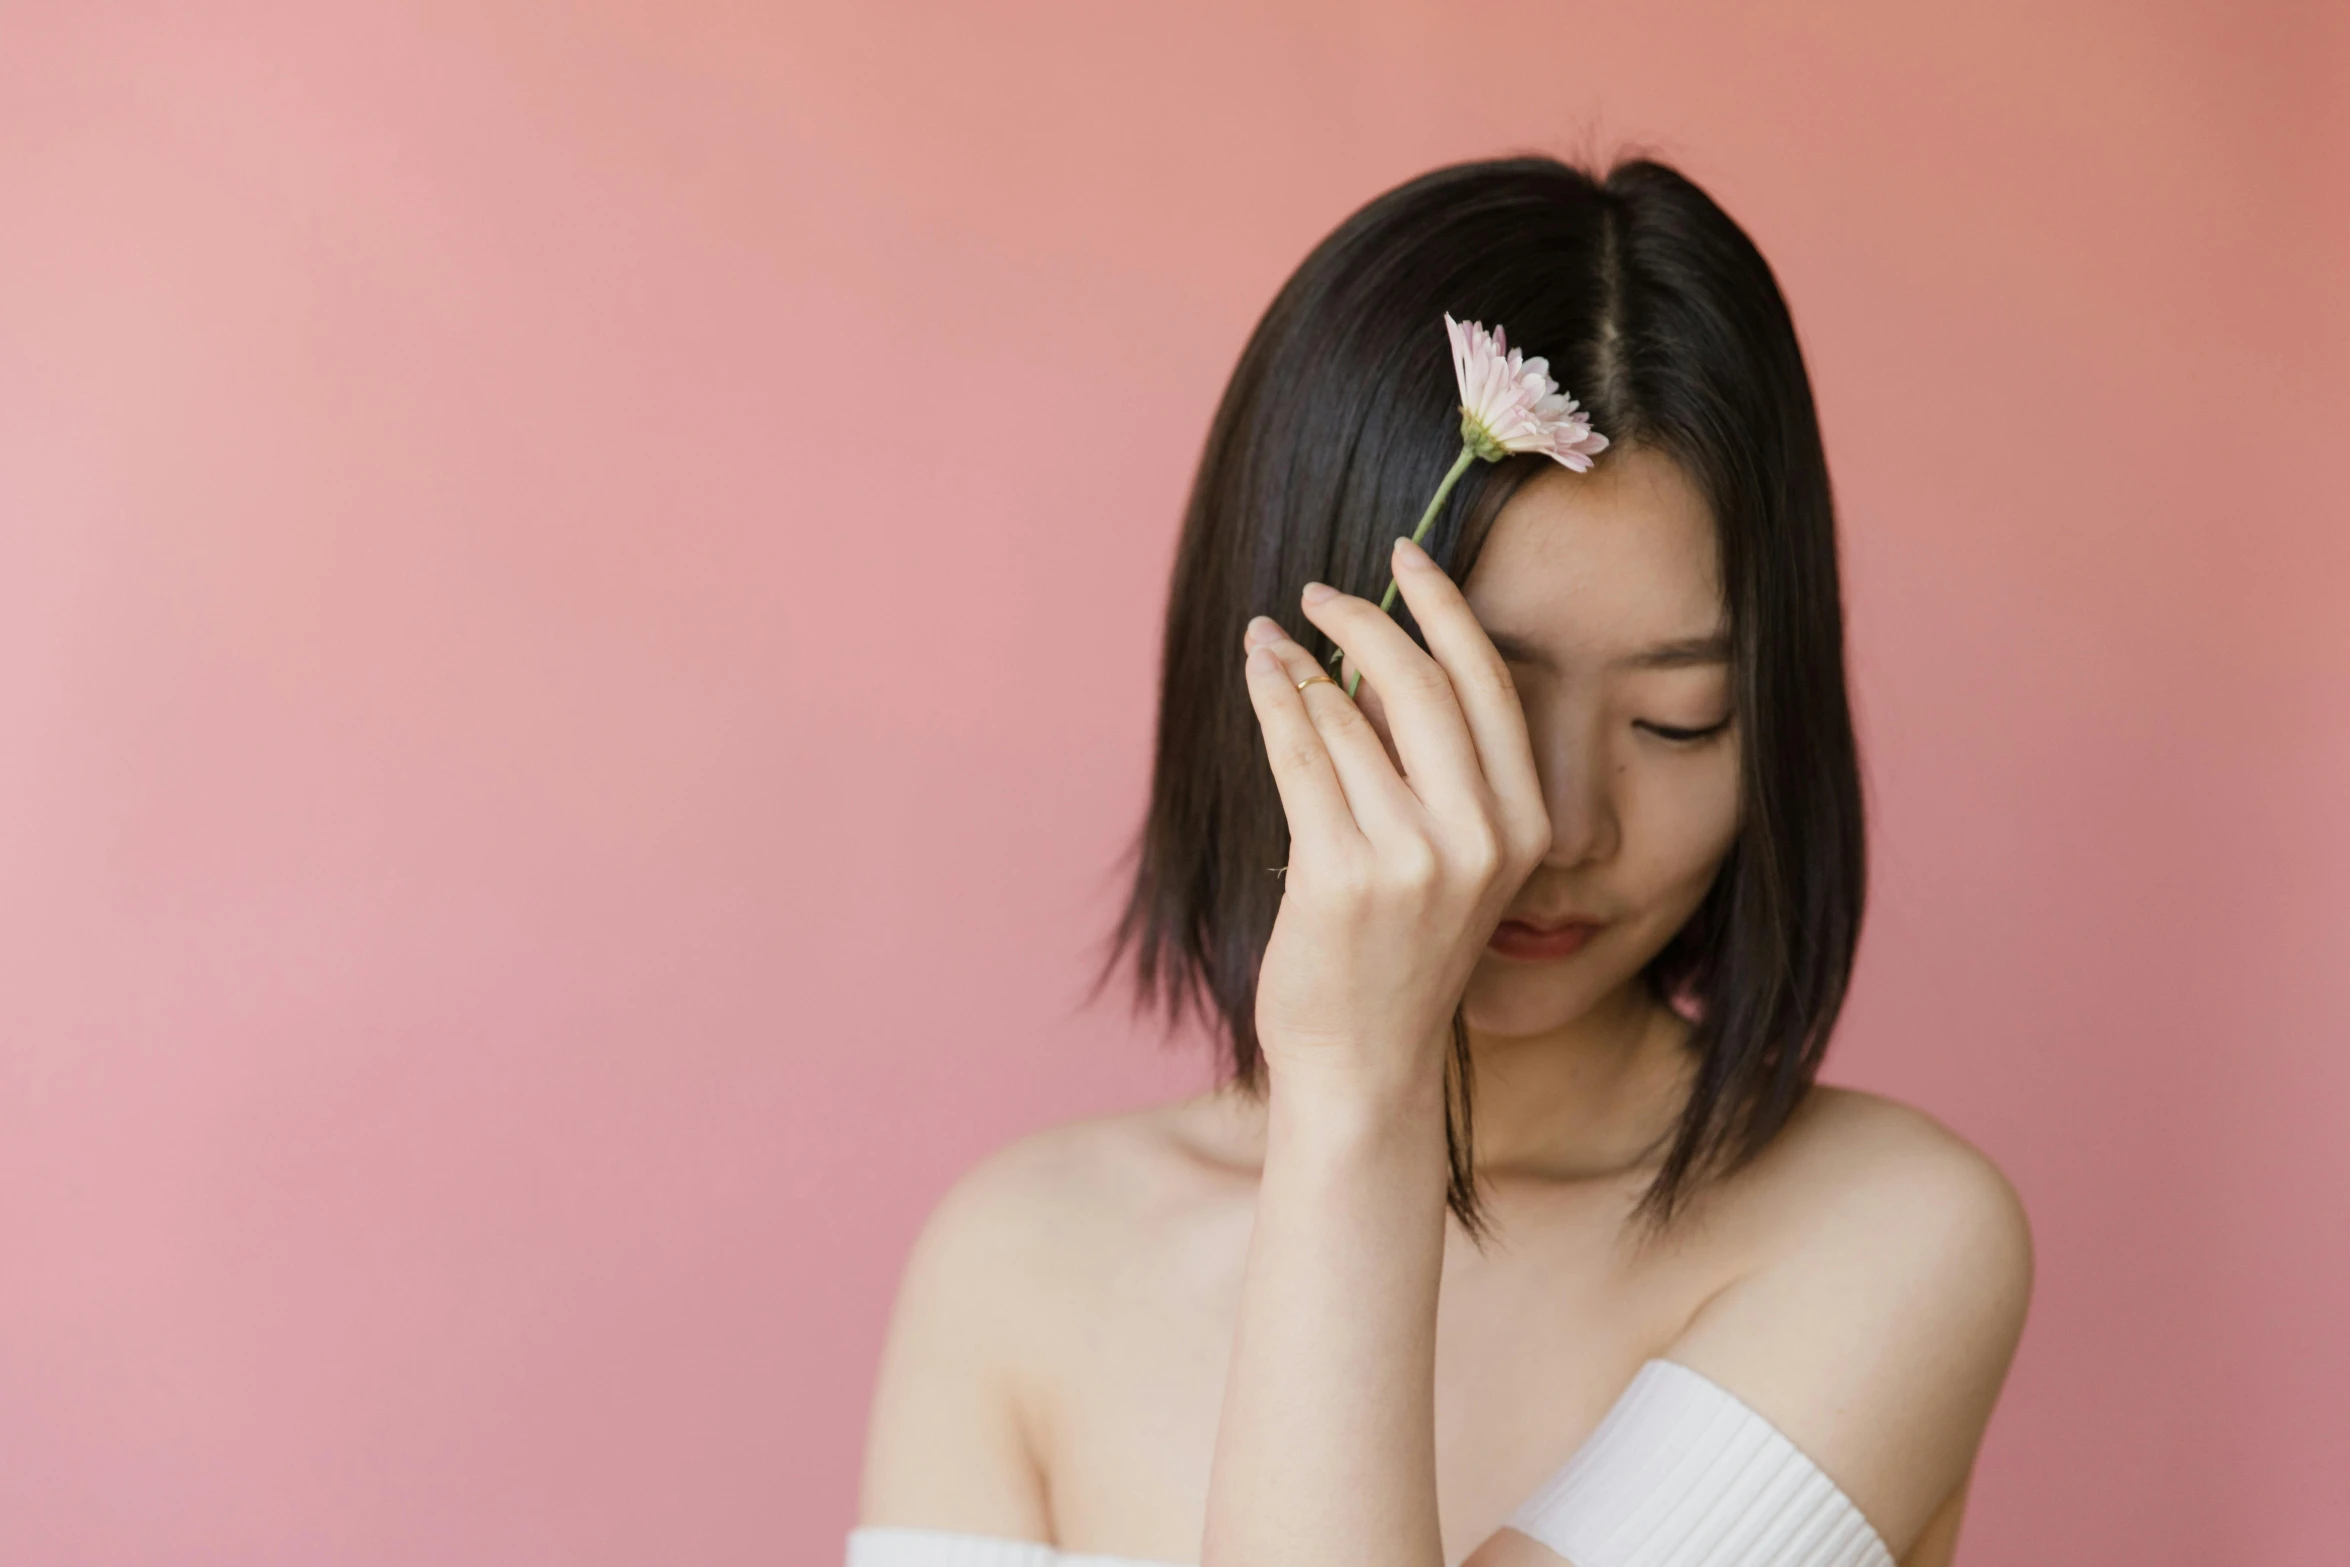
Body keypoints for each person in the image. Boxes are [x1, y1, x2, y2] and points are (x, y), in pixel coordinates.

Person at [845, 154, 2033, 1567]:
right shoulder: (1020, 1261)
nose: (1567, 825)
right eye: (1480, 704)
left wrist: (1355, 1092)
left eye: (1679, 718)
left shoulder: (1886, 1237)